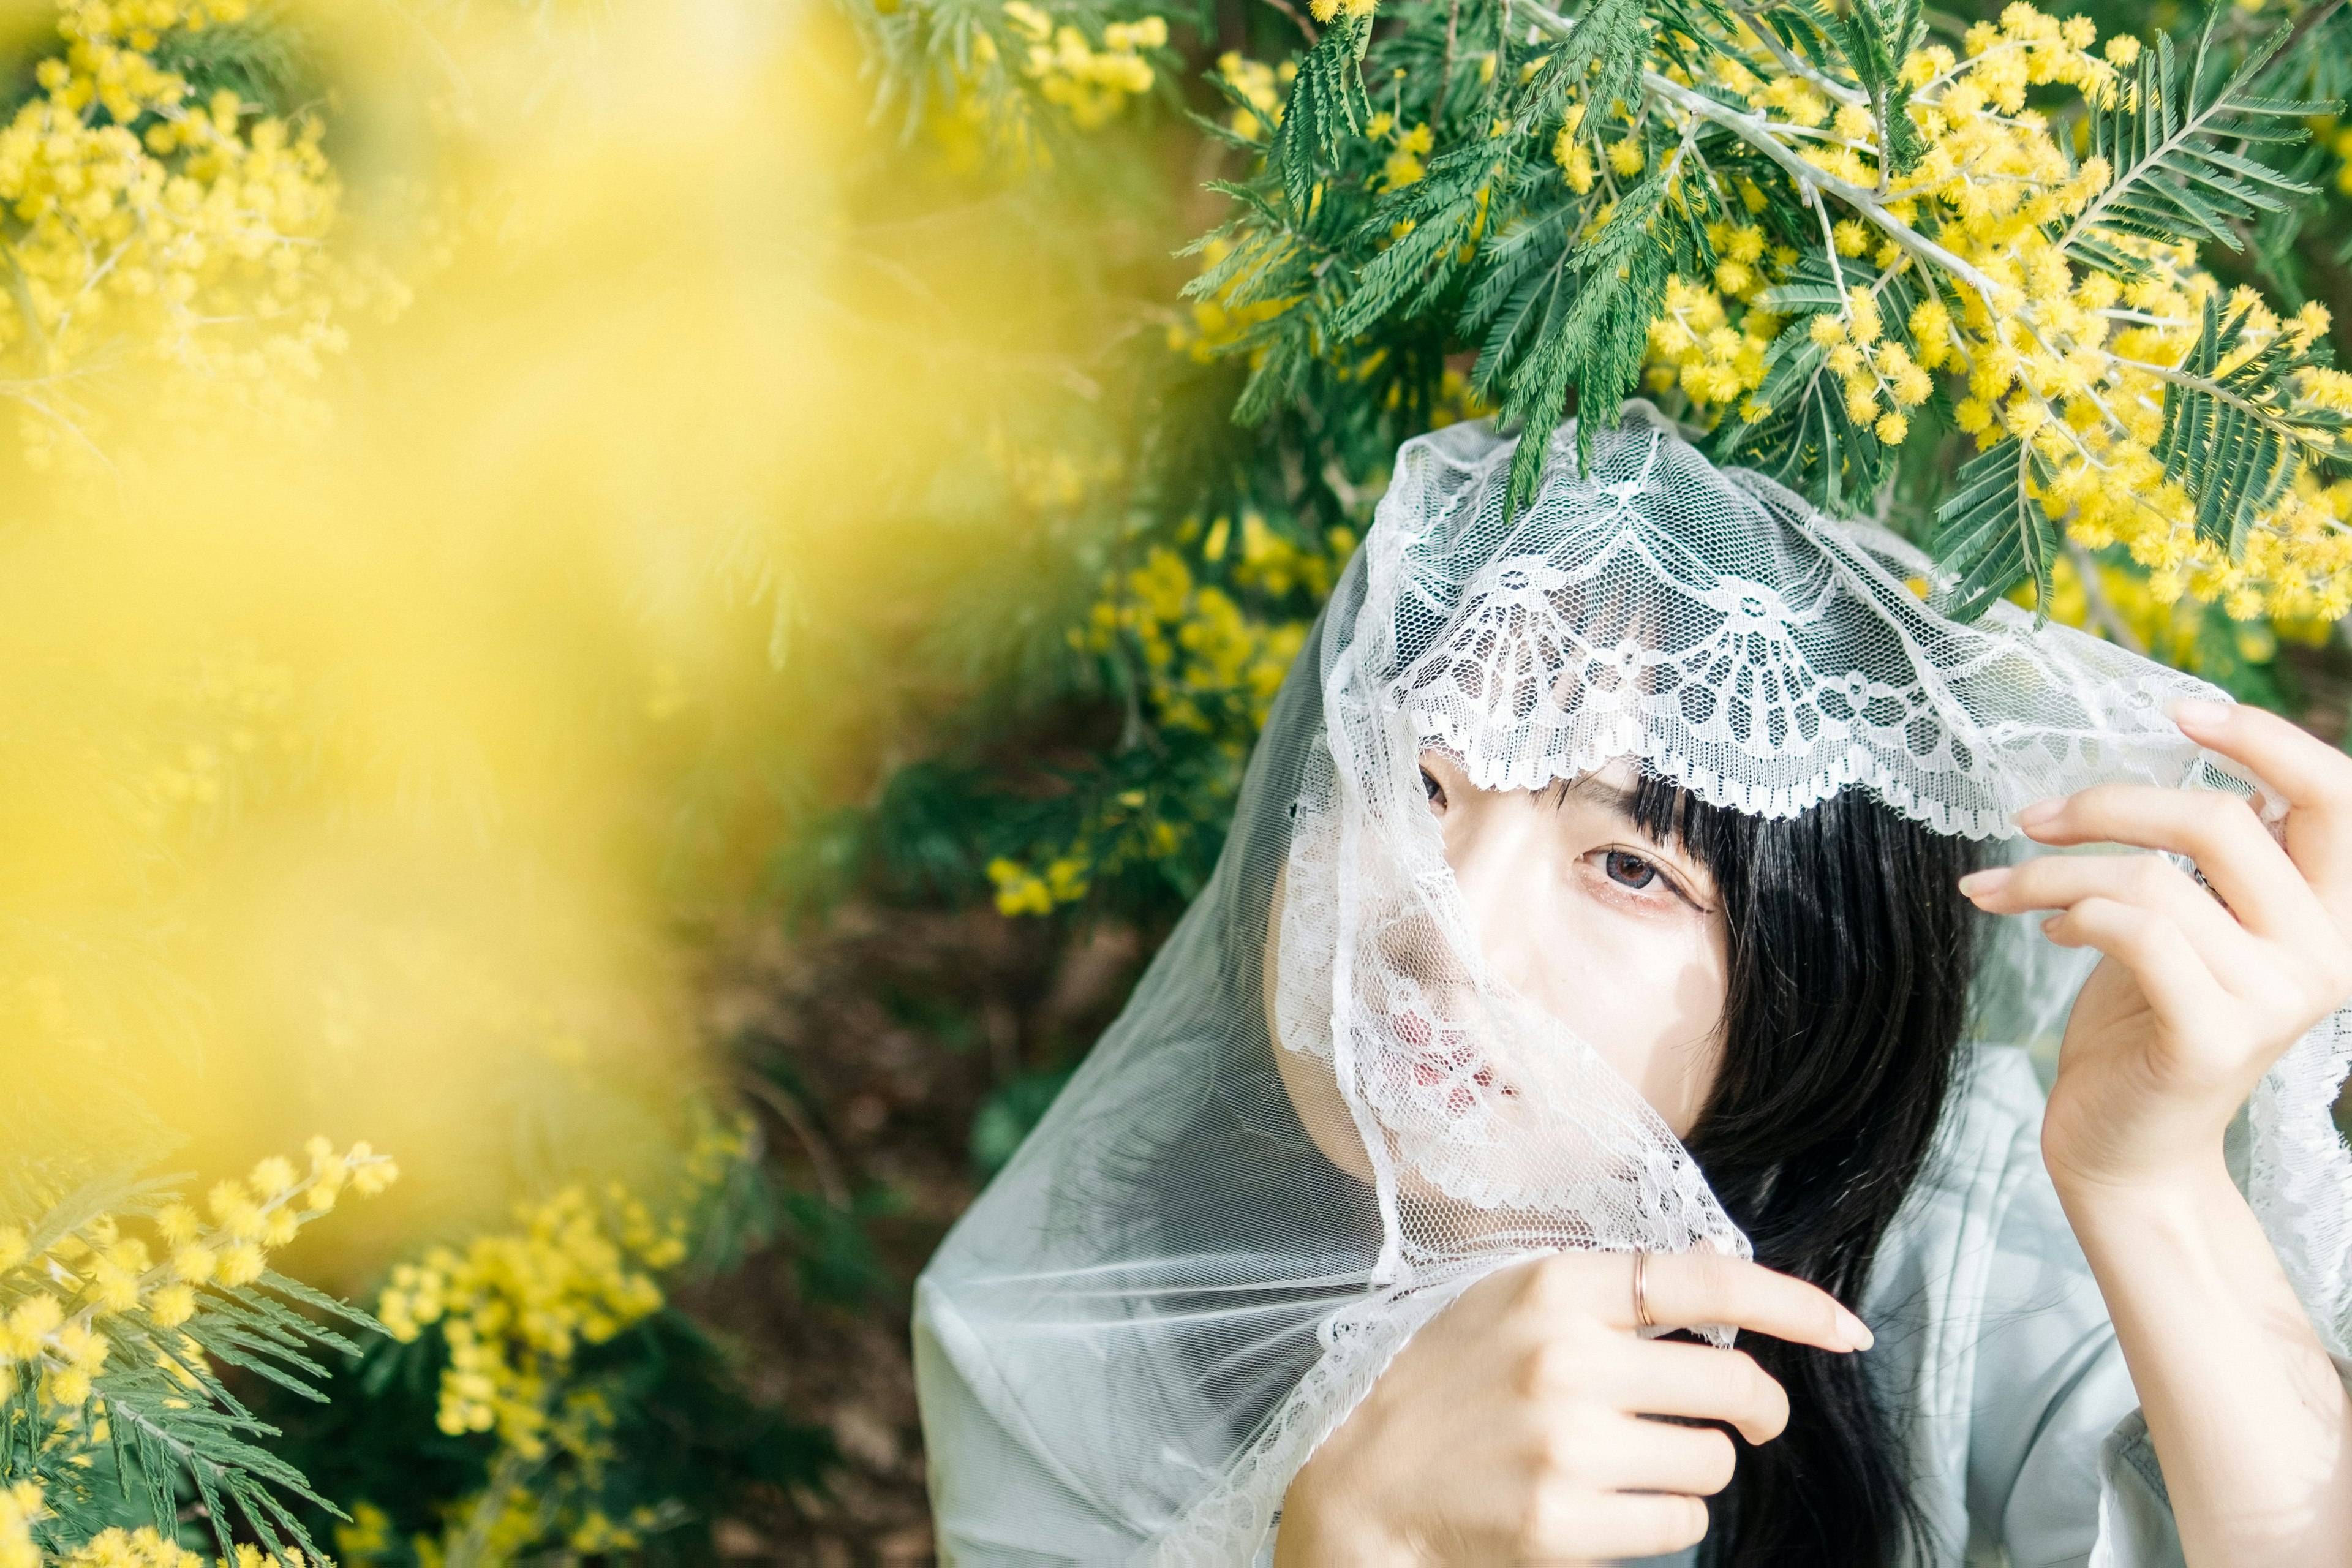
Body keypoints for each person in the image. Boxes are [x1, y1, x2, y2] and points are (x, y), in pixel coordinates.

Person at [912, 402, 2352, 1566]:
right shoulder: (1069, 1346)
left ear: (1811, 973)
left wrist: (2154, 1190)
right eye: (1413, 782)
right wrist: (1353, 1544)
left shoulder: (1971, 1252)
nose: (1439, 922)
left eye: (1628, 864)